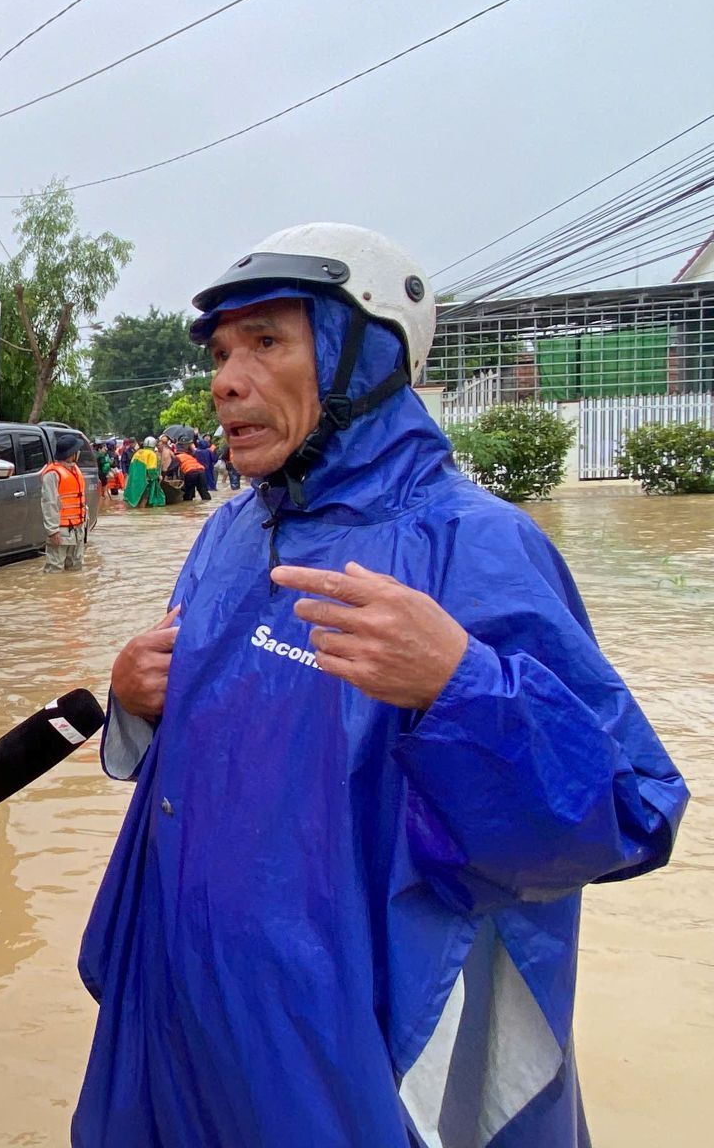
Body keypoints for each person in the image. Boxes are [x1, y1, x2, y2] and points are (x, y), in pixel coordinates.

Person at [76, 224, 687, 1147]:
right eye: (223, 351)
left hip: (350, 1061)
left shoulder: (475, 547)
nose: (225, 379)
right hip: (186, 1027)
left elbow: (624, 814)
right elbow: (211, 761)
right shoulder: (229, 535)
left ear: (360, 358)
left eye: (268, 343)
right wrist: (132, 696)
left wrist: (460, 686)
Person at [41, 431, 90, 571]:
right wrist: (52, 531)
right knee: (54, 568)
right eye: (77, 450)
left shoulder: (74, 469)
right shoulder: (52, 474)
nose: (79, 453)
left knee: (76, 567)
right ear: (72, 454)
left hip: (77, 529)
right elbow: (49, 503)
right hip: (60, 530)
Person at [124, 436, 166, 509]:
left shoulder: (138, 452)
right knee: (144, 498)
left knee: (136, 499)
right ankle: (142, 513)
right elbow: (151, 470)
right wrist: (157, 476)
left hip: (134, 481)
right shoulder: (152, 454)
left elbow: (131, 467)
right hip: (145, 481)